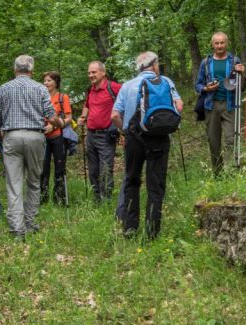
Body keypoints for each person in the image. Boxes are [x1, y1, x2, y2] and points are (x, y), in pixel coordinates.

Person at [111, 52, 182, 240]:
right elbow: (179, 106)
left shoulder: (127, 86)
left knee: (132, 181)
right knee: (155, 184)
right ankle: (152, 232)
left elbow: (114, 115)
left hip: (134, 138)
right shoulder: (165, 81)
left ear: (139, 67)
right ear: (155, 65)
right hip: (159, 136)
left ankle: (130, 228)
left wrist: (124, 132)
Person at [0, 55, 61, 239]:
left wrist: (2, 129)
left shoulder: (4, 88)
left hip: (11, 136)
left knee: (14, 183)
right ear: (32, 71)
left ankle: (16, 229)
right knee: (34, 181)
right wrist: (60, 123)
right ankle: (30, 223)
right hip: (36, 136)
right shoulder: (40, 88)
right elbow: (51, 115)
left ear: (15, 70)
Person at [194, 32, 245, 176]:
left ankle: (231, 171)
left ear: (227, 43)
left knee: (231, 138)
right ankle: (218, 174)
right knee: (213, 141)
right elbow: (197, 84)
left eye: (222, 43)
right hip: (211, 105)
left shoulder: (234, 60)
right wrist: (206, 88)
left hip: (230, 104)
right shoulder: (206, 62)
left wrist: (242, 73)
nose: (219, 46)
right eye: (216, 43)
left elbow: (242, 86)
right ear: (212, 44)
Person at [77, 61, 121, 202]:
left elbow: (127, 101)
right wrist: (83, 116)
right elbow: (87, 105)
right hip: (90, 135)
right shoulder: (91, 89)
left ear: (103, 72)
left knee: (105, 169)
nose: (91, 75)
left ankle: (106, 200)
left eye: (94, 72)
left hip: (106, 134)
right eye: (89, 72)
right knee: (93, 170)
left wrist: (121, 125)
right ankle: (96, 199)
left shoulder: (113, 87)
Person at [40, 71, 73, 206]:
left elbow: (69, 118)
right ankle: (43, 198)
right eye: (45, 81)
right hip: (42, 137)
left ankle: (59, 199)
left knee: (60, 168)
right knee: (43, 168)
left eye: (49, 80)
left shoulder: (62, 97)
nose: (46, 83)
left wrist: (53, 126)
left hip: (58, 137)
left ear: (56, 82)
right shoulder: (40, 97)